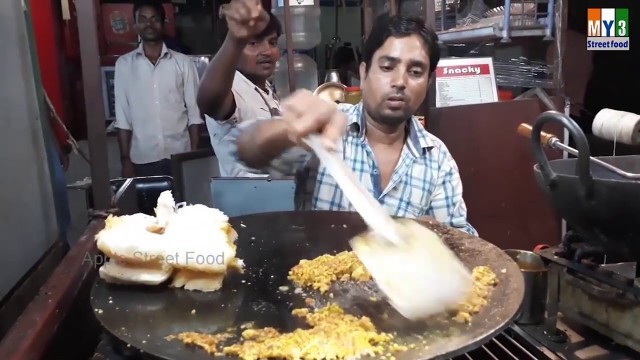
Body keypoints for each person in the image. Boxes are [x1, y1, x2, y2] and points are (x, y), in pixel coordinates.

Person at [231, 10, 477, 235]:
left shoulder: (437, 159)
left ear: (428, 83)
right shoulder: (328, 129)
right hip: (320, 279)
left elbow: (464, 242)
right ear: (363, 72)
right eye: (387, 66)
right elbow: (246, 150)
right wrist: (288, 129)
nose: (400, 81)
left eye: (415, 72)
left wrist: (438, 236)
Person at [114, 0, 202, 178]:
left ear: (164, 23)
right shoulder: (124, 65)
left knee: (183, 206)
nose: (149, 24)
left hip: (179, 155)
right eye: (143, 19)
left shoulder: (183, 63)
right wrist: (125, 161)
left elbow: (194, 113)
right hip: (142, 159)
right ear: (135, 24)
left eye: (154, 19)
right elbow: (122, 117)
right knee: (148, 206)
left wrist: (193, 157)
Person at [196, 0, 282, 177]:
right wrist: (235, 39)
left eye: (272, 42)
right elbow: (209, 101)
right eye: (253, 43)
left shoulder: (265, 89)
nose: (267, 51)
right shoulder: (232, 89)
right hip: (248, 200)